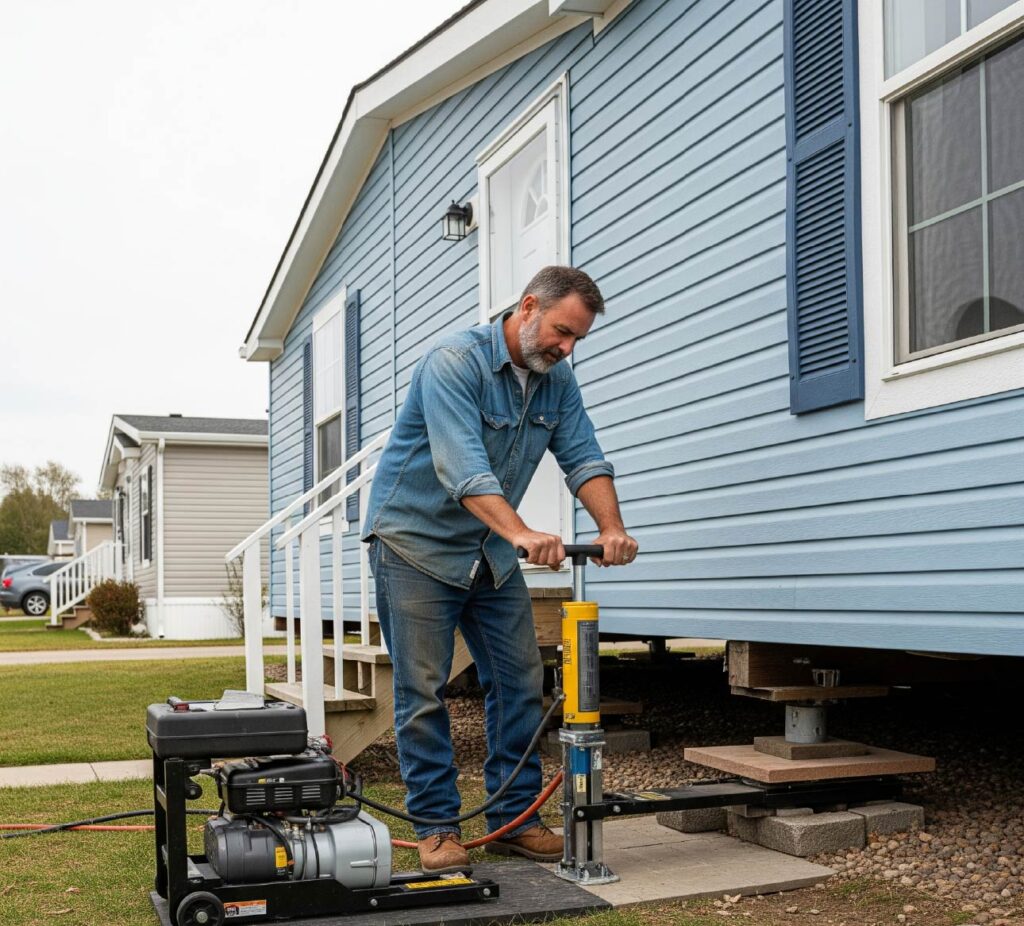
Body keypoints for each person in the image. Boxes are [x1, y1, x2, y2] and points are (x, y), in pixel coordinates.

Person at [361, 265, 638, 873]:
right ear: (528, 305)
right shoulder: (452, 362)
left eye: (576, 341)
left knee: (519, 682)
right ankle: (436, 828)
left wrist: (611, 528)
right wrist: (520, 532)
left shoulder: (555, 382)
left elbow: (584, 455)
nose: (565, 349)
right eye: (561, 332)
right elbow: (462, 467)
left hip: (487, 552)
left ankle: (513, 819)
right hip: (414, 545)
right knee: (423, 692)